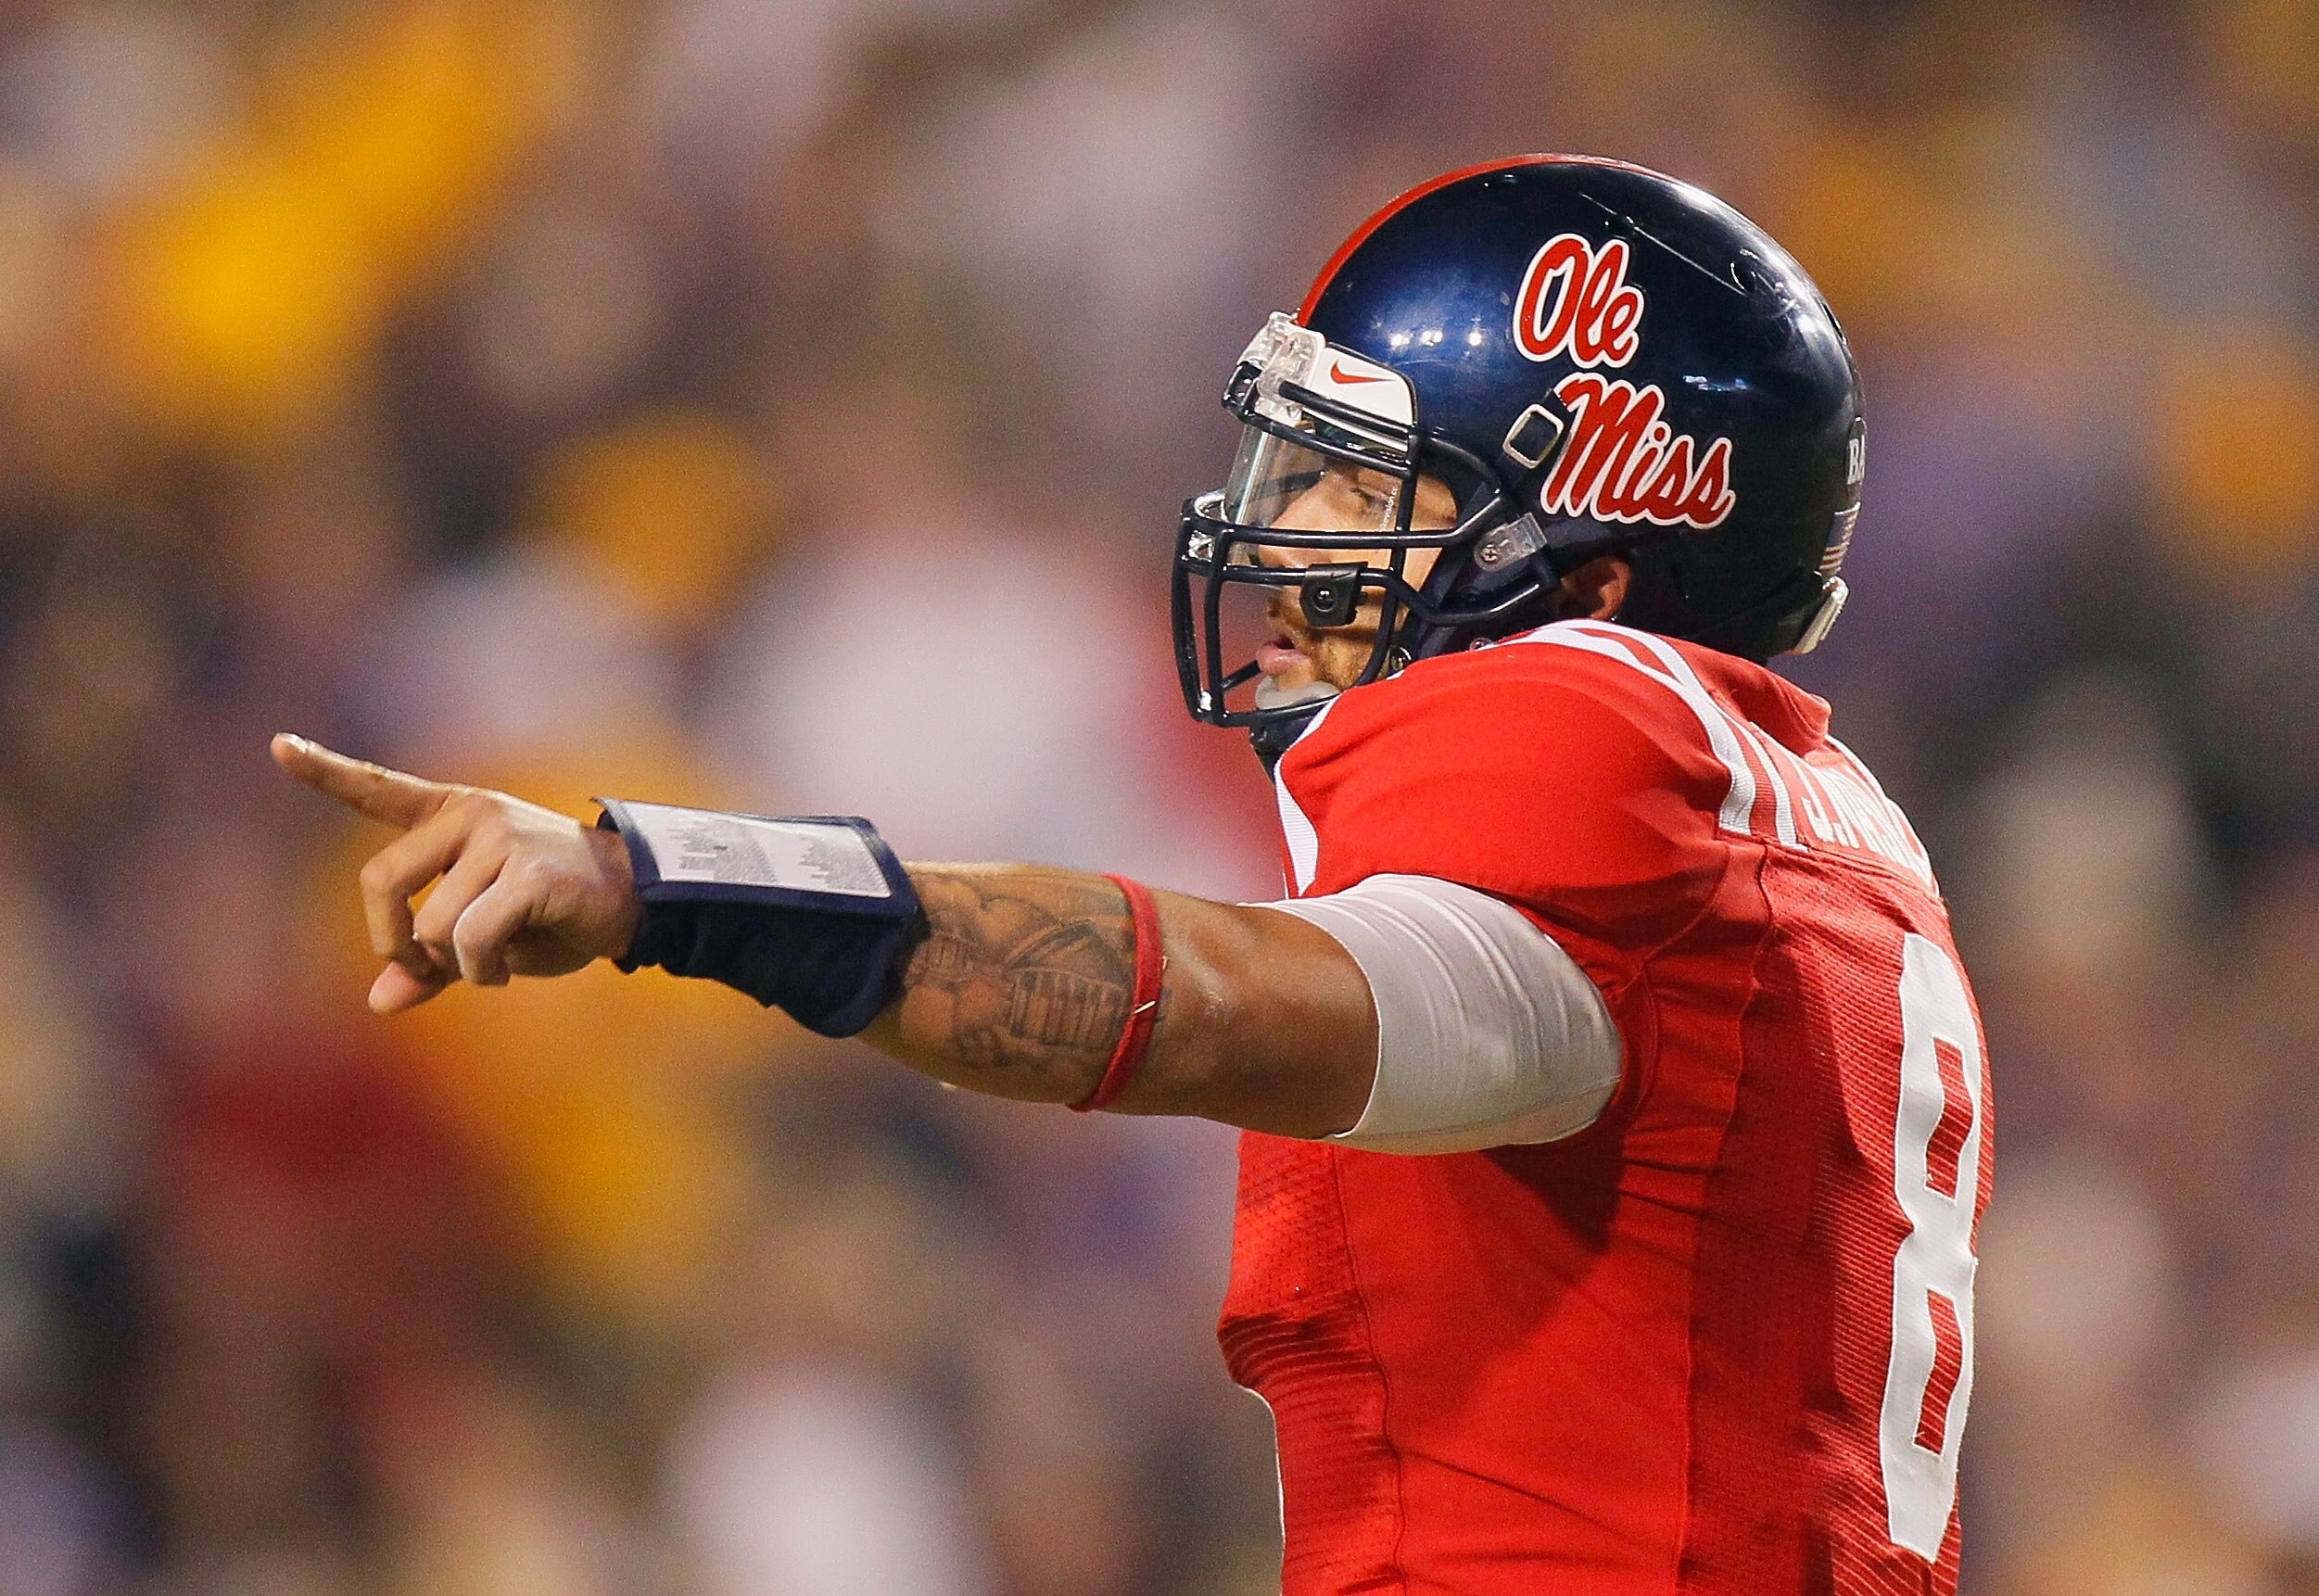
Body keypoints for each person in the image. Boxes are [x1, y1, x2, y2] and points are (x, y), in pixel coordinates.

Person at [276, 156, 1992, 1595]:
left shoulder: (1603, 732)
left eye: (1355, 484)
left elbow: (1227, 1001)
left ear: (1590, 562)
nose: (1286, 540)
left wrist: (665, 879)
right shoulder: (1834, 835)